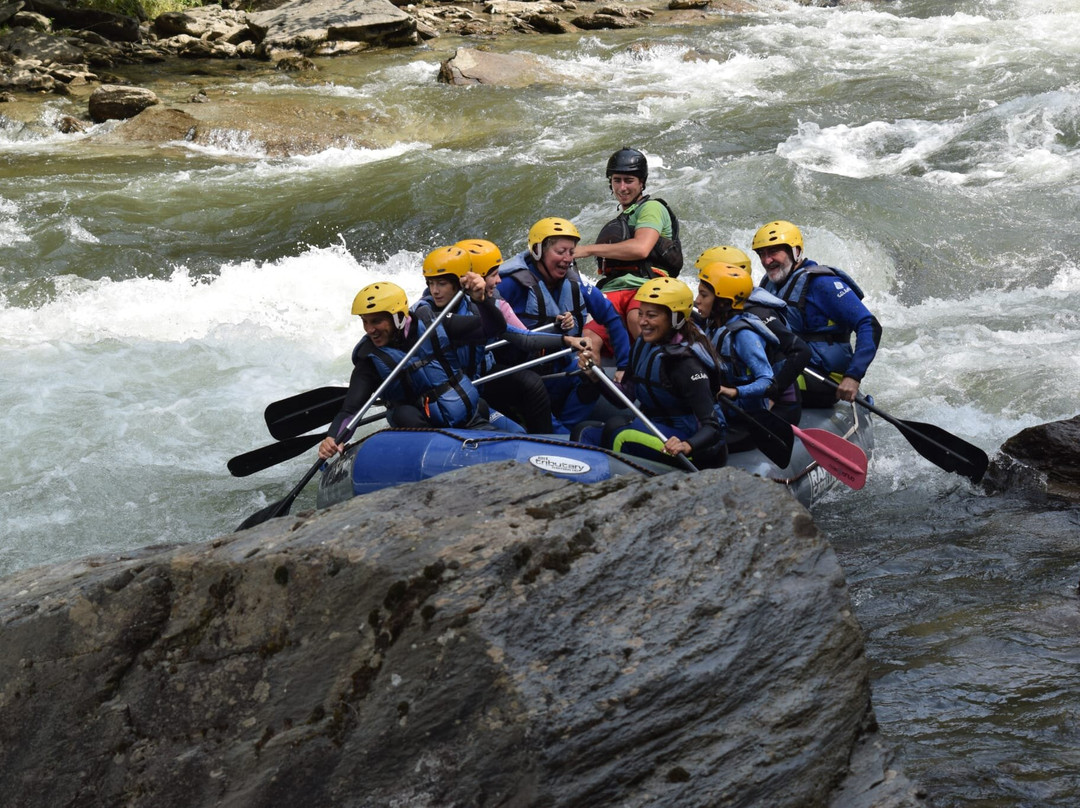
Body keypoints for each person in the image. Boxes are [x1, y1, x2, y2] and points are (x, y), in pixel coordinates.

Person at [317, 273, 505, 460]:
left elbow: (493, 328)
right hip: (427, 441)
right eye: (365, 321)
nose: (369, 329)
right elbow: (351, 410)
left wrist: (481, 301)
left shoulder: (435, 323)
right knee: (404, 414)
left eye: (376, 321)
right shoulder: (370, 360)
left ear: (398, 316)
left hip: (469, 420)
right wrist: (333, 437)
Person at [497, 217, 632, 430]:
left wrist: (624, 365)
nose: (567, 259)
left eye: (571, 252)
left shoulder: (575, 283)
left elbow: (611, 318)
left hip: (558, 367)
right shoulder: (510, 284)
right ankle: (554, 432)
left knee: (590, 374)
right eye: (560, 252)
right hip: (520, 372)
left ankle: (566, 429)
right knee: (532, 386)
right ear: (538, 251)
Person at [577, 277, 726, 468]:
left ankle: (618, 482)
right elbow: (624, 399)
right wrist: (595, 376)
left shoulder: (686, 364)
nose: (642, 322)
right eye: (640, 314)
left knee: (620, 431)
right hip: (658, 429)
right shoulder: (643, 345)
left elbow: (713, 427)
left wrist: (687, 445)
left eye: (651, 315)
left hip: (694, 446)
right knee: (584, 432)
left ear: (675, 318)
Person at [455, 238, 585, 434]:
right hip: (460, 385)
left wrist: (563, 336)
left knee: (532, 384)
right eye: (493, 275)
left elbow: (524, 338)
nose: (499, 281)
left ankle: (549, 438)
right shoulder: (436, 307)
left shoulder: (496, 304)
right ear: (476, 278)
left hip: (483, 376)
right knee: (516, 430)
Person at [752, 220, 881, 407]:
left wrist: (853, 376)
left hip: (823, 378)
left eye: (773, 252)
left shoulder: (822, 284)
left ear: (795, 252)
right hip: (791, 365)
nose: (766, 261)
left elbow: (869, 325)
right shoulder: (769, 283)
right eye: (761, 254)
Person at [694, 245, 810, 425]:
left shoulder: (756, 316)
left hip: (775, 403)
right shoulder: (721, 314)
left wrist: (772, 393)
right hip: (740, 398)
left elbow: (801, 351)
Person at [695, 262, 778, 453]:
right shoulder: (714, 326)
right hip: (720, 413)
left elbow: (768, 382)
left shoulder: (744, 335)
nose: (697, 301)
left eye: (704, 295)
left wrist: (735, 392)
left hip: (743, 422)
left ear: (723, 302)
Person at [572, 147, 684, 277]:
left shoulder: (651, 207)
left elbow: (641, 248)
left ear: (641, 182)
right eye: (617, 180)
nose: (622, 187)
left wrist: (587, 250)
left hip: (649, 284)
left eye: (629, 181)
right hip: (616, 284)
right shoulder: (626, 216)